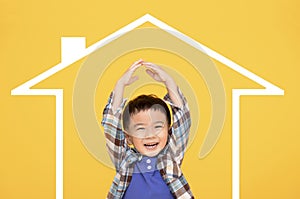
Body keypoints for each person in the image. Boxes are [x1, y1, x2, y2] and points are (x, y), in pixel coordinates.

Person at [101, 59, 194, 198]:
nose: (150, 134)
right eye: (140, 129)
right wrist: (120, 85)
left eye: (157, 126)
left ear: (169, 132)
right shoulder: (125, 160)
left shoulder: (171, 157)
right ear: (128, 137)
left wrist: (169, 82)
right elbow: (111, 127)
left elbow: (183, 121)